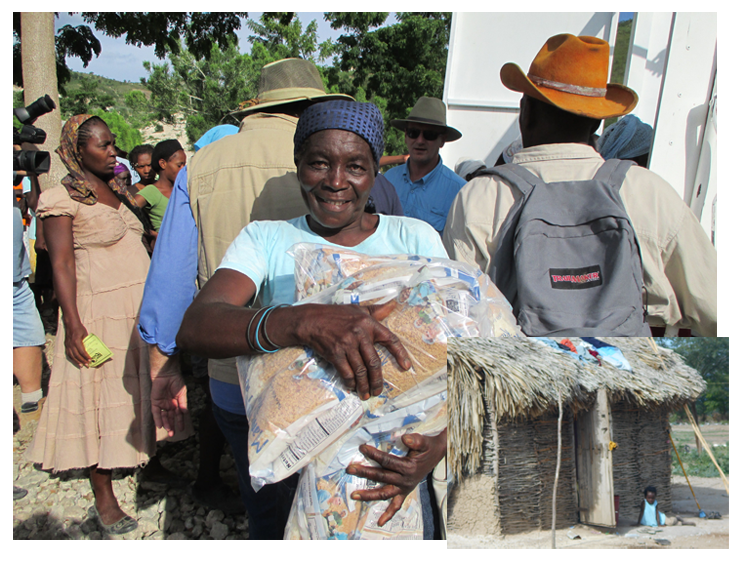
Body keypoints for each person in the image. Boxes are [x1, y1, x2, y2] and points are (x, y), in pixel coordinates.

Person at [164, 100, 448, 539]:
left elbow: (462, 355)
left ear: (375, 171)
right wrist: (302, 322)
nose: (336, 182)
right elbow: (198, 325)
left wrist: (438, 446)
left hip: (389, 464)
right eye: (319, 163)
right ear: (298, 166)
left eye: (355, 166)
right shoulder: (267, 239)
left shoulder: (413, 238)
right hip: (291, 466)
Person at [137, 58, 354, 537]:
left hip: (231, 373)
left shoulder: (200, 166)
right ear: (314, 106)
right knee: (327, 506)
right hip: (324, 377)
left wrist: (163, 366)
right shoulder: (336, 162)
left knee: (264, 504)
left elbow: (171, 278)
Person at [442, 33, 717, 336]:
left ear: (526, 111)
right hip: (628, 375)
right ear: (597, 120)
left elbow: (456, 322)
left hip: (520, 377)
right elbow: (716, 309)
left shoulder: (479, 197)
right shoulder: (649, 193)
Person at [25, 115, 179, 535]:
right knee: (98, 396)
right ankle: (103, 495)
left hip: (136, 309)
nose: (113, 151)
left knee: (137, 387)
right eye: (103, 146)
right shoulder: (62, 198)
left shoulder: (118, 190)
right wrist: (72, 325)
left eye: (113, 144)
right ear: (78, 150)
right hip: (96, 310)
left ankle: (147, 458)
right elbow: (60, 264)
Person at [384, 97, 466, 234]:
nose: (420, 141)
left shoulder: (459, 193)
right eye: (413, 133)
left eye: (429, 134)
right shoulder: (389, 179)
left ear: (442, 140)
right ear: (405, 136)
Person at [134, 139, 186, 233]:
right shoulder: (151, 191)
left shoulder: (182, 188)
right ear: (163, 164)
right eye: (179, 165)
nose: (183, 169)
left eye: (184, 165)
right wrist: (150, 234)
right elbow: (126, 214)